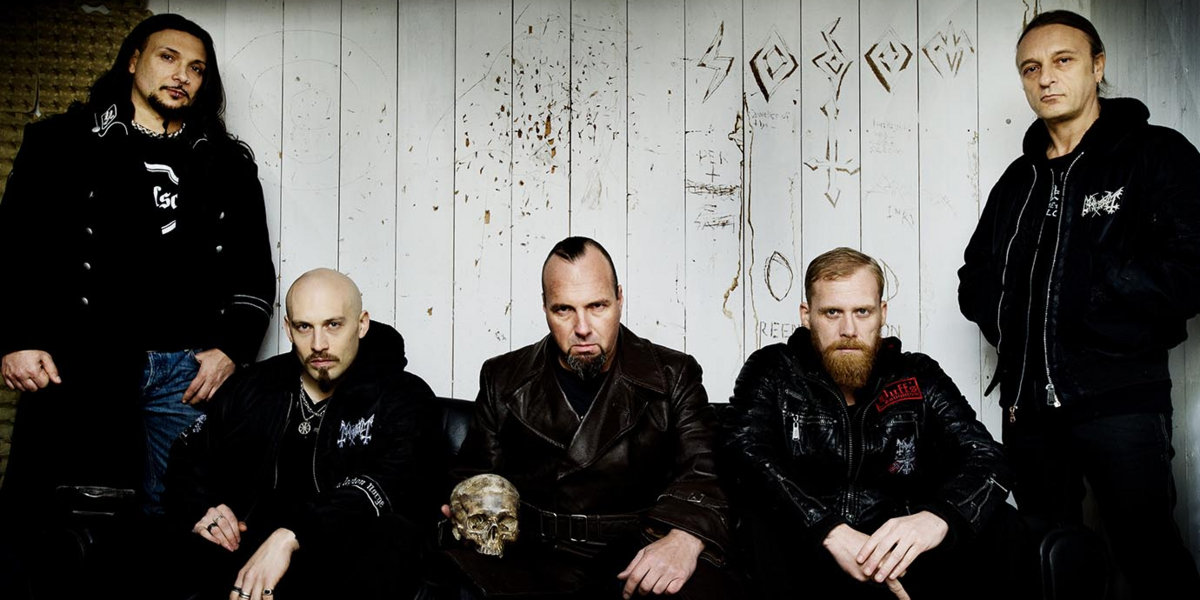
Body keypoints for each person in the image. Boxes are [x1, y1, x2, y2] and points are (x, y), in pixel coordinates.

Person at [958, 10, 1200, 597]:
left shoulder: (1155, 154)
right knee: (1048, 560)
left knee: (1148, 555)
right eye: (1030, 68)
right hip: (1029, 413)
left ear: (1097, 66)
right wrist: (1015, 328)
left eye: (1062, 61)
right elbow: (976, 279)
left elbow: (1192, 268)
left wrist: (1096, 298)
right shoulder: (1018, 181)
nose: (1045, 78)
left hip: (1119, 399)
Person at [0, 13, 275, 522]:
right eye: (168, 58)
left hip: (185, 372)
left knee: (187, 516)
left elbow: (254, 271)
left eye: (196, 68)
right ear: (133, 61)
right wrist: (17, 338)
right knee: (78, 518)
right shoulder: (62, 142)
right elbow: (13, 248)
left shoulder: (227, 163)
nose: (181, 75)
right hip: (83, 360)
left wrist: (231, 350)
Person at [440, 236, 736, 599]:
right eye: (564, 309)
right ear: (545, 307)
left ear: (619, 299)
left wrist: (685, 537)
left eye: (597, 306)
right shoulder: (502, 378)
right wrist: (466, 504)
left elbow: (705, 471)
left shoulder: (673, 375)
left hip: (635, 554)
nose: (582, 327)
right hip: (531, 558)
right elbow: (475, 474)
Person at [724, 247, 1028, 600]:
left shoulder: (917, 375)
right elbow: (742, 451)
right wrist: (828, 529)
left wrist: (938, 518)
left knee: (1004, 524)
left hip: (901, 552)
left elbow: (987, 456)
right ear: (807, 315)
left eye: (862, 312)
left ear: (882, 313)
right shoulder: (775, 370)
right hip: (807, 552)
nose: (848, 329)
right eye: (832, 312)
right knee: (757, 522)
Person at [162, 268, 440, 600]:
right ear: (288, 329)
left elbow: (392, 482)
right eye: (304, 327)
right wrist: (203, 509)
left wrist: (293, 534)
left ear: (362, 324)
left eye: (333, 325)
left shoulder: (403, 395)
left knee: (391, 536)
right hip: (247, 548)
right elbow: (188, 457)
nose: (319, 345)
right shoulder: (253, 387)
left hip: (341, 558)